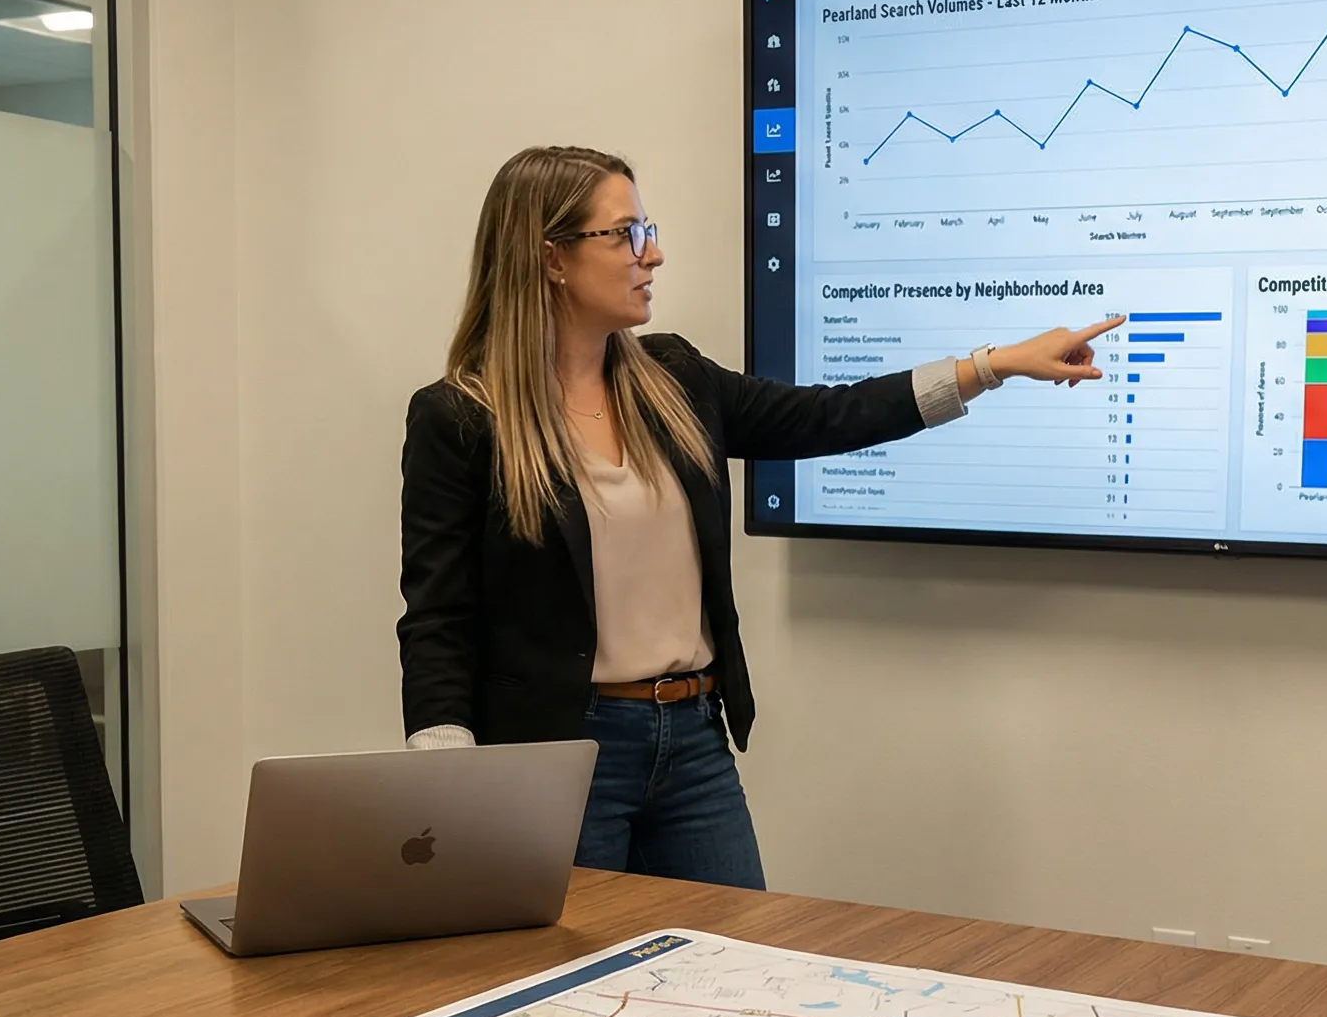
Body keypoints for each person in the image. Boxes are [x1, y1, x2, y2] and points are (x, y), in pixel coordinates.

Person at [398, 145, 1118, 889]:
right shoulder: (460, 419)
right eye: (626, 234)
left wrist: (992, 366)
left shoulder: (673, 379)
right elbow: (437, 618)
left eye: (648, 229)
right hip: (558, 756)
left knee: (735, 973)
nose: (655, 253)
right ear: (552, 258)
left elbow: (828, 416)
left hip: (694, 745)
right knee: (563, 993)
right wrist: (448, 784)